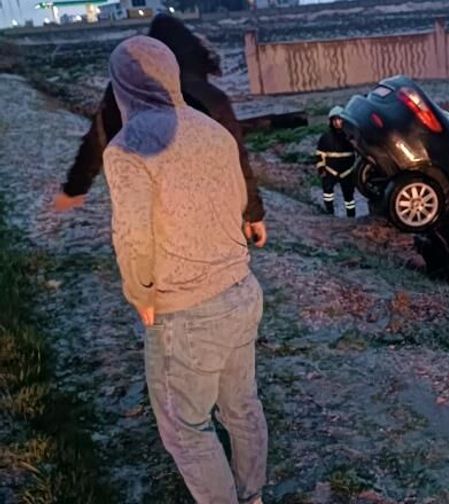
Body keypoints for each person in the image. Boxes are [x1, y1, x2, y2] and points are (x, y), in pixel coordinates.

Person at [103, 36, 267, 504]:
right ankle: (252, 496)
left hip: (187, 309)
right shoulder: (212, 130)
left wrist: (142, 296)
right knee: (242, 407)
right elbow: (238, 202)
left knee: (186, 430)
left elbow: (134, 238)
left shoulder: (127, 147)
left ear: (123, 86)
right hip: (241, 289)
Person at [54, 13, 267, 248]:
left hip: (145, 206)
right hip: (204, 208)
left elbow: (97, 140)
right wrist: (253, 215)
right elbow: (236, 159)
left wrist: (74, 189)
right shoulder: (212, 98)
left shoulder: (123, 91)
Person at [315, 106, 357, 217]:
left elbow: (359, 153)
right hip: (330, 170)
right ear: (331, 121)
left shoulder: (351, 136)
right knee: (327, 193)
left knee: (349, 197)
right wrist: (321, 169)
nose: (337, 123)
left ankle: (351, 216)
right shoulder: (325, 137)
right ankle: (329, 213)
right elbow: (319, 154)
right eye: (335, 120)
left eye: (339, 120)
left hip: (347, 171)